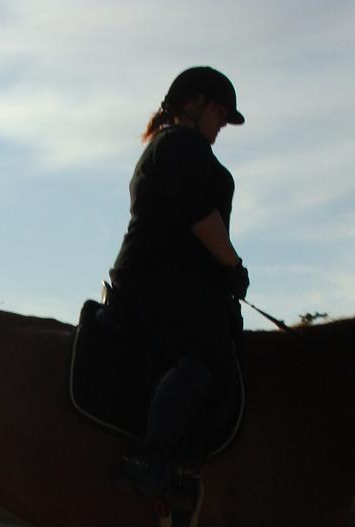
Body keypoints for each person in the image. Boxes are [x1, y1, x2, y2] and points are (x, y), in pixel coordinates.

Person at [107, 66, 250, 502]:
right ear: (193, 104)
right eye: (220, 112)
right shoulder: (180, 144)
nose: (223, 123)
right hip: (156, 283)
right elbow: (197, 214)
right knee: (206, 353)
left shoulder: (174, 145)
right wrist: (233, 265)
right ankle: (152, 457)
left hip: (171, 283)